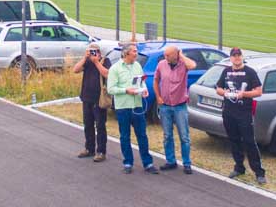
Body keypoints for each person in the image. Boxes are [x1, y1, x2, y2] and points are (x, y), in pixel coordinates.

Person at [216, 48, 265, 184]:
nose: (236, 58)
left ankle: (259, 171)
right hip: (229, 112)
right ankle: (239, 167)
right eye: (234, 56)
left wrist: (244, 94)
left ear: (242, 57)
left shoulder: (250, 72)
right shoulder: (226, 72)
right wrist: (224, 93)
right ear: (230, 58)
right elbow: (218, 88)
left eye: (239, 55)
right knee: (233, 140)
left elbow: (259, 92)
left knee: (249, 142)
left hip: (244, 113)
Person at [108, 43, 156, 174]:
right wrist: (125, 90)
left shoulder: (137, 66)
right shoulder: (115, 68)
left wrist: (144, 89)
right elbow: (111, 89)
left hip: (137, 106)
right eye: (134, 51)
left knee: (142, 135)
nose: (136, 53)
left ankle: (148, 163)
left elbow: (141, 81)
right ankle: (128, 163)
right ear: (126, 53)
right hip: (123, 107)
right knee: (125, 136)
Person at [153, 45, 194, 174]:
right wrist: (158, 97)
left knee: (184, 136)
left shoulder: (183, 65)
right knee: (167, 135)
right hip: (165, 106)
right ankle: (171, 161)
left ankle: (186, 163)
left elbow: (192, 65)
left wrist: (181, 55)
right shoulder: (161, 64)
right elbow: (156, 80)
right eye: (165, 55)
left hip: (180, 106)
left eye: (168, 55)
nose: (166, 57)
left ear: (175, 55)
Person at [71, 42, 111, 162]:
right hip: (86, 97)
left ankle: (101, 151)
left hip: (99, 99)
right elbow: (75, 70)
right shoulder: (87, 61)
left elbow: (106, 74)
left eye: (94, 51)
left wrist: (96, 62)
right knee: (88, 124)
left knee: (100, 125)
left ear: (99, 52)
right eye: (90, 51)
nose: (92, 54)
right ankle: (89, 148)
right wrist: (85, 58)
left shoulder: (105, 61)